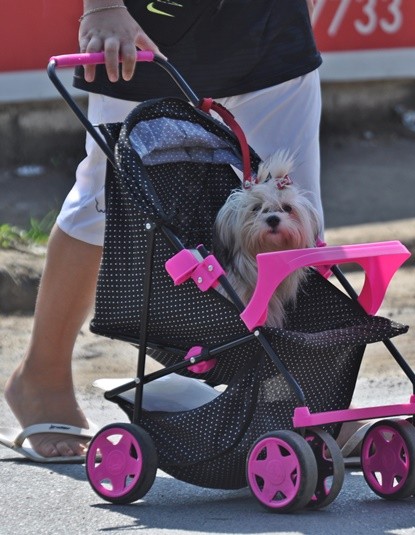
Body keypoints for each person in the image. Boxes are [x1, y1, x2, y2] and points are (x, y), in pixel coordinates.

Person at [4, 0, 322, 459]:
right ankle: (42, 378)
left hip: (270, 24)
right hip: (147, 26)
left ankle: (292, 401)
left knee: (296, 213)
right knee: (106, 201)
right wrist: (103, 5)